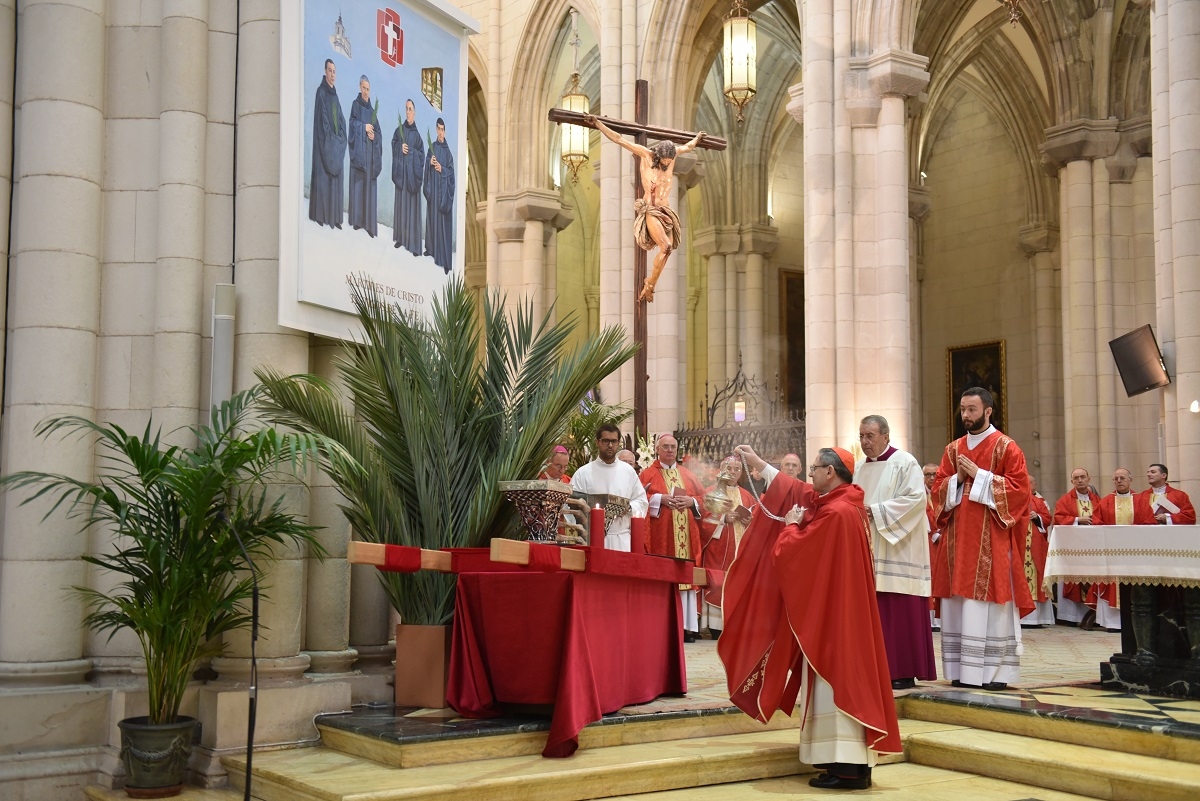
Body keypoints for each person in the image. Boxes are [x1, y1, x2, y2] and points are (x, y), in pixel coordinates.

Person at [718, 445, 900, 791]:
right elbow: (800, 492)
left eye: (814, 468)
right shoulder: (847, 502)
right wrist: (762, 466)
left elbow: (792, 555)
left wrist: (789, 527)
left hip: (833, 621)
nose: (810, 475)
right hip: (843, 613)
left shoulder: (836, 513)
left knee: (836, 683)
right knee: (846, 682)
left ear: (831, 472)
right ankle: (854, 768)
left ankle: (846, 771)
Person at [929, 386, 1033, 690]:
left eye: (971, 409)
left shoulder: (1006, 447)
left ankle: (993, 674)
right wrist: (958, 479)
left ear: (988, 411)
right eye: (962, 409)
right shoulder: (952, 449)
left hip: (991, 543)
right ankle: (961, 672)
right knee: (958, 602)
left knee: (988, 603)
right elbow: (937, 491)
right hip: (956, 544)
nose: (965, 415)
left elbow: (1020, 491)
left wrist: (980, 475)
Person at [583, 114, 705, 302]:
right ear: (659, 155)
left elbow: (688, 147)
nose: (667, 164)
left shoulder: (672, 157)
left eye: (670, 161)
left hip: (666, 212)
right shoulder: (646, 156)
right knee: (666, 246)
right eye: (664, 161)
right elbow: (619, 139)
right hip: (651, 210)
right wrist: (598, 124)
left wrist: (696, 139)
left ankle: (650, 284)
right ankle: (649, 286)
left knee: (668, 250)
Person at [854, 415, 935, 691]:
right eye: (862, 436)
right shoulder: (858, 468)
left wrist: (874, 512)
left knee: (899, 608)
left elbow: (915, 500)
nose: (865, 442)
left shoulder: (904, 462)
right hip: (869, 546)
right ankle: (875, 667)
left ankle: (902, 669)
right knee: (874, 608)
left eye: (871, 436)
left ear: (886, 436)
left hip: (899, 548)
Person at [641, 434, 707, 642]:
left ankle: (687, 626)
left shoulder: (688, 475)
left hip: (687, 536)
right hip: (662, 537)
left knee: (685, 575)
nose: (670, 450)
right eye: (665, 447)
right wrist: (660, 499)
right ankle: (665, 624)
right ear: (657, 449)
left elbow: (704, 501)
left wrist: (691, 501)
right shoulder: (647, 475)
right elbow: (638, 499)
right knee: (667, 576)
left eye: (673, 447)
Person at [1130, 463, 1197, 665]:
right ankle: (1145, 651)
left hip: (1172, 550)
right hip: (1147, 550)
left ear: (1164, 475)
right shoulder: (1141, 497)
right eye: (1148, 471)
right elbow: (1138, 520)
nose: (1148, 474)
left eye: (1153, 472)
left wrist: (1166, 517)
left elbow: (1189, 517)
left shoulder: (1179, 496)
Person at [699, 456, 756, 639]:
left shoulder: (747, 496)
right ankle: (716, 628)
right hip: (719, 547)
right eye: (729, 468)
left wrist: (749, 522)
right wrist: (724, 519)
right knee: (718, 583)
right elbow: (703, 521)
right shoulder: (710, 492)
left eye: (737, 469)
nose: (733, 472)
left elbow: (755, 521)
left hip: (740, 549)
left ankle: (735, 625)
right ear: (721, 469)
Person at [1090, 468, 1153, 630]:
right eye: (1116, 478)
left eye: (1122, 478)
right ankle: (1111, 622)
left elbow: (1149, 522)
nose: (1119, 481)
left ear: (1130, 480)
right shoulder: (1106, 501)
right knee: (1111, 584)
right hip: (1112, 551)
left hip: (1135, 551)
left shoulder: (1140, 500)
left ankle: (1135, 620)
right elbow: (1097, 523)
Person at [569, 425, 647, 551]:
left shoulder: (628, 471)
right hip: (592, 540)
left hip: (622, 539)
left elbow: (642, 501)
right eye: (606, 441)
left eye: (614, 441)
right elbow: (571, 506)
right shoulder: (583, 473)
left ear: (618, 443)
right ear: (597, 442)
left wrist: (628, 508)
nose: (610, 445)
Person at [1053, 468, 1102, 628]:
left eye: (1083, 477)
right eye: (1076, 478)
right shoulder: (1065, 500)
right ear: (1072, 481)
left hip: (1094, 548)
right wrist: (1076, 519)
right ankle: (1072, 616)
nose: (1080, 480)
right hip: (1072, 548)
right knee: (1073, 581)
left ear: (1089, 478)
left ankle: (1093, 613)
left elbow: (1105, 518)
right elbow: (1058, 519)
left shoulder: (1098, 500)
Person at [308, 59, 346, 228]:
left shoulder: (335, 96)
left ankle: (334, 218)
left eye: (334, 71)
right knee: (323, 176)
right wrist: (331, 138)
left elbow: (341, 120)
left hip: (334, 144)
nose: (332, 74)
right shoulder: (321, 92)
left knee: (336, 178)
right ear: (325, 72)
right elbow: (323, 121)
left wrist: (340, 138)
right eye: (330, 71)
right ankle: (322, 216)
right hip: (324, 145)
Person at [347, 75, 382, 236]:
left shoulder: (372, 112)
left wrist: (375, 137)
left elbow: (379, 133)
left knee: (369, 188)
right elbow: (352, 124)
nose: (366, 91)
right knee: (358, 186)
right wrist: (363, 127)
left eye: (368, 89)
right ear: (359, 87)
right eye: (364, 88)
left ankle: (368, 225)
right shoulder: (355, 105)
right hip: (359, 155)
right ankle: (357, 221)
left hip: (369, 157)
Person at [1020, 476, 1055, 626]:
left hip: (1036, 545)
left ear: (1035, 485)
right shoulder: (1015, 499)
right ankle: (1021, 616)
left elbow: (1047, 519)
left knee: (1037, 576)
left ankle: (1037, 618)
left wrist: (1037, 517)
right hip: (1020, 545)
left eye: (1029, 483)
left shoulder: (1040, 502)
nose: (1026, 485)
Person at [391, 99, 425, 254]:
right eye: (406, 109)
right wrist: (399, 147)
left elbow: (422, 157)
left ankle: (413, 244)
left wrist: (410, 151)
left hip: (412, 179)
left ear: (415, 113)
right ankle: (400, 238)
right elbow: (394, 143)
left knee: (412, 209)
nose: (408, 111)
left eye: (410, 109)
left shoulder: (418, 137)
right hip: (402, 178)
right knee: (401, 207)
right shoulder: (399, 131)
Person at [423, 118, 456, 273]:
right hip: (433, 191)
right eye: (439, 129)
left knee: (442, 223)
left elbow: (451, 175)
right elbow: (427, 164)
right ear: (436, 130)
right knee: (432, 219)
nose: (441, 132)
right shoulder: (432, 148)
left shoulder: (448, 154)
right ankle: (430, 248)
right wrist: (430, 163)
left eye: (443, 129)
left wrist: (442, 169)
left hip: (442, 194)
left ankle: (444, 261)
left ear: (445, 131)